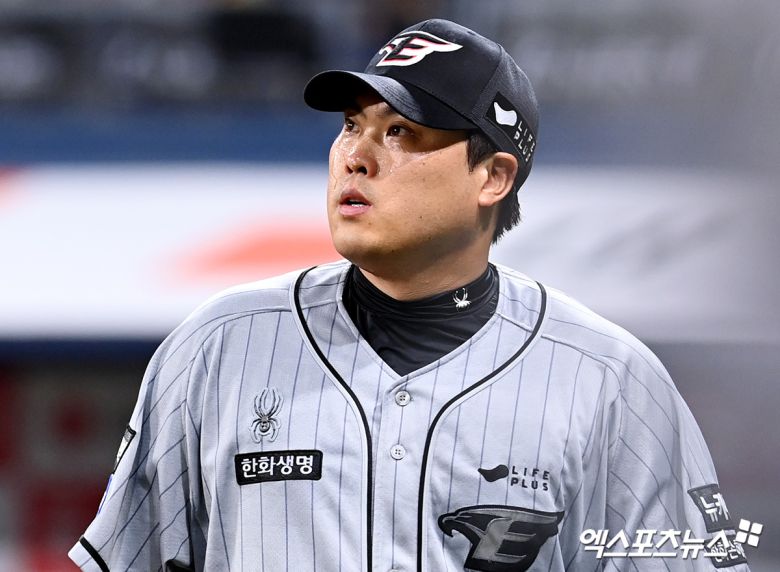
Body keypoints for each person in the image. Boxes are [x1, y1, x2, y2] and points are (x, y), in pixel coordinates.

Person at [69, 18, 750, 572]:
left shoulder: (611, 381)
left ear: (492, 176)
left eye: (401, 132)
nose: (356, 156)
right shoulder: (217, 346)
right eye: (351, 125)